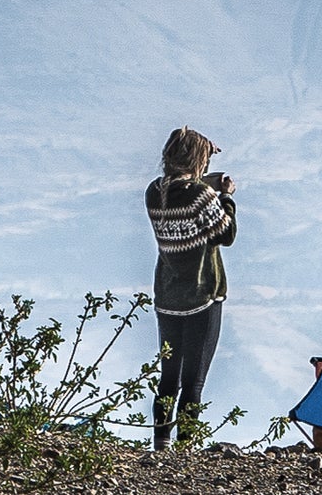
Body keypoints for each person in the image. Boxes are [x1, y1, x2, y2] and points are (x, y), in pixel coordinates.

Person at [144, 126, 236, 449]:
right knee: (193, 382)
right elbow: (225, 234)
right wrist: (226, 196)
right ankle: (185, 448)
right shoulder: (202, 196)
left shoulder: (154, 193)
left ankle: (161, 442)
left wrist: (204, 177)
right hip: (203, 296)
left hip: (168, 297)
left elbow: (184, 191)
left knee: (168, 379)